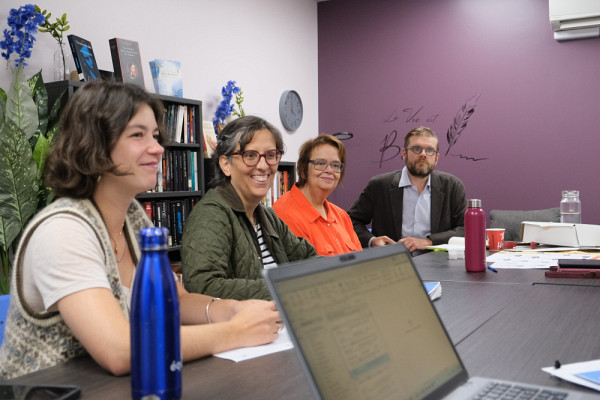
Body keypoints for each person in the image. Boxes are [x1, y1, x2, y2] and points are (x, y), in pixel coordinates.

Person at [0, 81, 282, 380]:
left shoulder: (132, 217)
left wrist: (232, 310)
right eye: (138, 135)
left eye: (156, 136)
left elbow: (178, 301)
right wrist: (235, 331)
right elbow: (120, 351)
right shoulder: (62, 231)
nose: (158, 148)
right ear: (93, 143)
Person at [181, 116, 318, 300]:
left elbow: (308, 258)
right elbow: (203, 286)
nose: (263, 166)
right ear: (225, 165)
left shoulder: (267, 216)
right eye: (250, 155)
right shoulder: (210, 215)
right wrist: (286, 287)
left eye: (271, 155)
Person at [348, 126, 466, 254]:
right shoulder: (379, 185)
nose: (423, 154)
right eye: (416, 149)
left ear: (436, 158)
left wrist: (428, 242)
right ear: (404, 154)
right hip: (392, 262)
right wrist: (372, 241)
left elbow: (466, 229)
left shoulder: (452, 186)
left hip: (438, 262)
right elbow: (350, 222)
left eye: (430, 150)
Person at [272, 135, 361, 256]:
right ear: (304, 170)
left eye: (335, 165)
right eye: (320, 163)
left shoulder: (342, 216)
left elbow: (359, 262)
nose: (329, 170)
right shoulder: (284, 213)